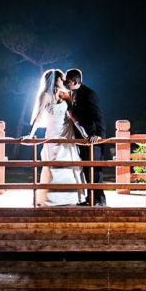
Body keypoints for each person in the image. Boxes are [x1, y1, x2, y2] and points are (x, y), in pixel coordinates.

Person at [25, 68, 87, 207]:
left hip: (66, 131)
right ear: (54, 80)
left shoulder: (66, 95)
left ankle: (70, 197)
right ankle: (51, 198)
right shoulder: (45, 95)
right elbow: (38, 117)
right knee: (53, 163)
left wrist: (83, 132)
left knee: (68, 162)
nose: (64, 80)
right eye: (61, 78)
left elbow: (72, 115)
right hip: (52, 133)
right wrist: (30, 134)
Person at [64, 68, 107, 206]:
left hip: (93, 138)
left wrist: (99, 135)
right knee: (87, 170)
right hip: (83, 139)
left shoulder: (88, 94)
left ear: (75, 81)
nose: (65, 83)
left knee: (95, 171)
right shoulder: (73, 94)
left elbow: (98, 115)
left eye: (68, 81)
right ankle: (91, 199)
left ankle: (99, 200)